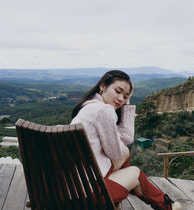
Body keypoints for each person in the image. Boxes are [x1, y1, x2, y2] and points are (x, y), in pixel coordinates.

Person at [71, 70, 180, 210]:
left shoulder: (87, 108)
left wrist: (126, 105)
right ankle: (167, 206)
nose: (121, 99)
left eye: (125, 97)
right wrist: (123, 150)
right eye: (117, 91)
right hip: (88, 196)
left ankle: (163, 204)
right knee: (133, 169)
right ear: (102, 86)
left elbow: (126, 138)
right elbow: (116, 154)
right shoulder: (104, 111)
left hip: (69, 191)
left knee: (129, 162)